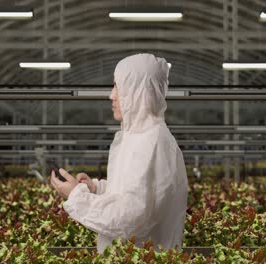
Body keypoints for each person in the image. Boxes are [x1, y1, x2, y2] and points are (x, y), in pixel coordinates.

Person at [50, 53, 188, 253]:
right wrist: (96, 189)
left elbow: (132, 219)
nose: (111, 95)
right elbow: (135, 196)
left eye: (117, 87)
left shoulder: (154, 142)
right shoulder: (137, 138)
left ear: (138, 92)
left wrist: (76, 196)